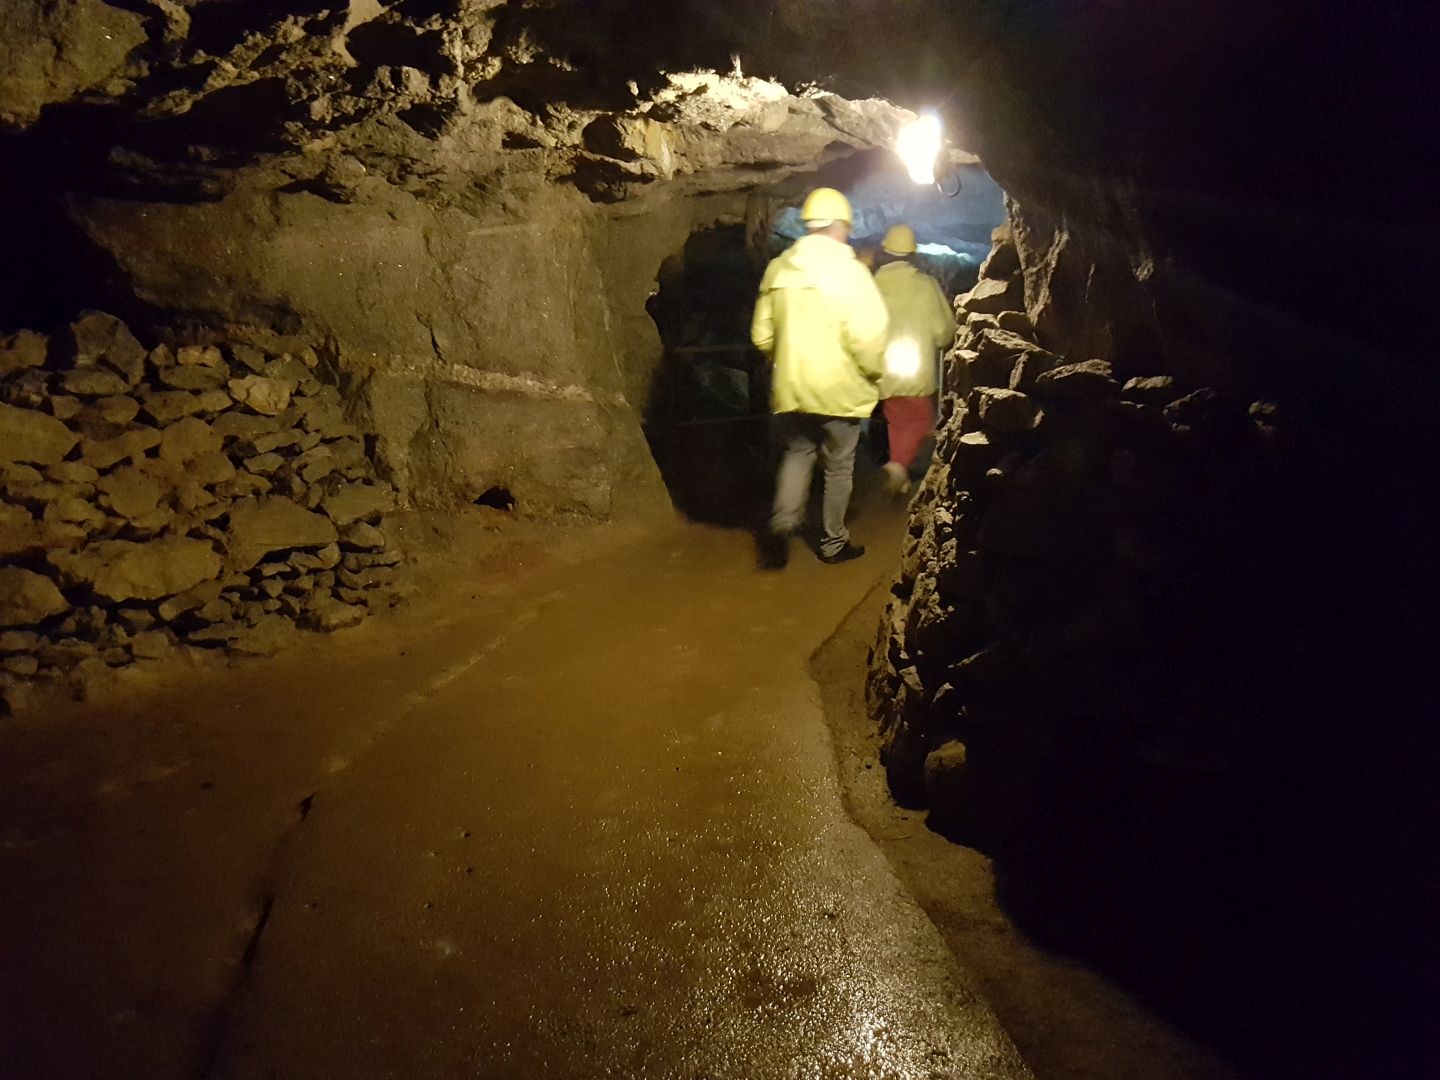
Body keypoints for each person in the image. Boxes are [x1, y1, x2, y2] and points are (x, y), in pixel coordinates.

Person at [750, 187, 889, 569]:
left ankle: (783, 521)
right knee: (839, 465)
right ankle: (833, 542)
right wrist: (874, 374)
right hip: (839, 391)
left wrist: (787, 361)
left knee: (798, 451)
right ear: (841, 226)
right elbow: (869, 337)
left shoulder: (779, 269)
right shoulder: (854, 274)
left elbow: (761, 335)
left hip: (794, 388)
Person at [873, 224, 957, 493]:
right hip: (915, 367)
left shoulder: (872, 285)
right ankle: (897, 467)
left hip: (882, 368)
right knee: (922, 420)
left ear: (885, 251)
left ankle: (900, 476)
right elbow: (944, 330)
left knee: (897, 422)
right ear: (913, 254)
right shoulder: (926, 285)